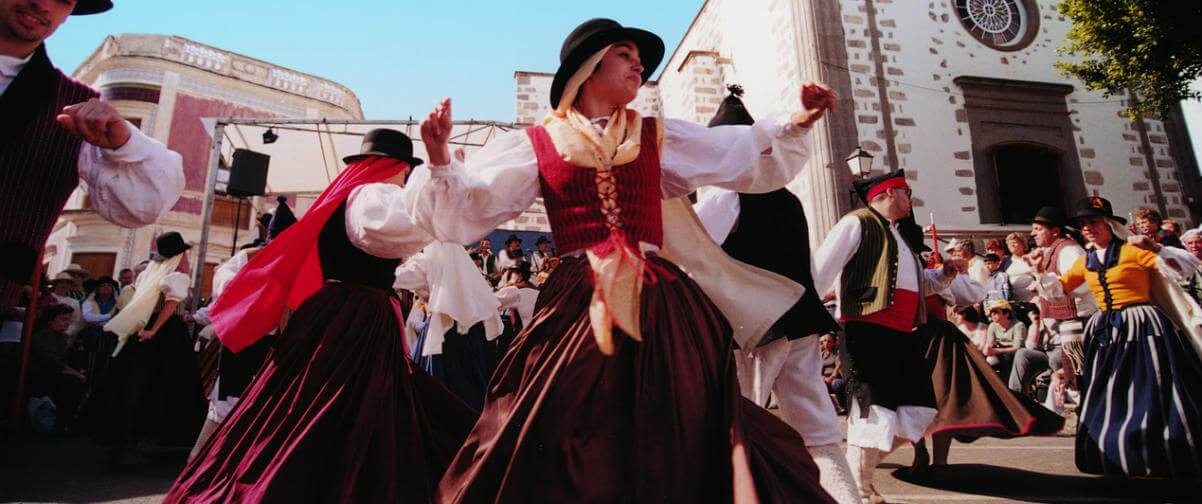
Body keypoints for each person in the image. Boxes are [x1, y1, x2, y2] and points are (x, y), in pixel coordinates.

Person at [406, 18, 839, 503]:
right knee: (565, 422)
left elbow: (734, 152)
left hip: (662, 303)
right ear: (589, 69)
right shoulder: (537, 144)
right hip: (577, 301)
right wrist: (440, 158)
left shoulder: (656, 135)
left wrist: (796, 118)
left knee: (680, 421)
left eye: (640, 58)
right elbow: (467, 209)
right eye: (625, 53)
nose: (638, 64)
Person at [165, 130, 476, 502]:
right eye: (406, 171)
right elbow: (411, 225)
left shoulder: (347, 197)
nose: (406, 178)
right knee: (342, 405)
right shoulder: (374, 194)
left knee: (308, 402)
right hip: (356, 315)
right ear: (395, 167)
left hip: (333, 309)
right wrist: (446, 178)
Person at [693, 85, 857, 503]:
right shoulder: (788, 198)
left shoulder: (726, 196)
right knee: (816, 424)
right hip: (798, 322)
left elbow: (690, 256)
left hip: (751, 330)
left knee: (739, 417)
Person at [0, 0, 184, 317]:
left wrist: (123, 144)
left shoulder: (72, 104)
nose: (42, 3)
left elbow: (144, 207)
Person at [813, 170, 961, 503]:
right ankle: (860, 490)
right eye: (907, 193)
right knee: (873, 412)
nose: (911, 200)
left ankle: (852, 478)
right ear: (891, 193)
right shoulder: (856, 224)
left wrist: (942, 276)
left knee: (921, 411)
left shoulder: (899, 237)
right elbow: (820, 269)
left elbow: (914, 285)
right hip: (866, 332)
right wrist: (807, 319)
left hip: (900, 335)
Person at [1031, 196, 1202, 478]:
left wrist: (1156, 247)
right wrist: (1038, 270)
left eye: (1093, 222)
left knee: (1152, 385)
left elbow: (1185, 267)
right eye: (1083, 224)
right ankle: (1119, 453)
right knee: (1109, 389)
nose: (1087, 227)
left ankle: (1163, 450)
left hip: (1142, 324)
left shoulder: (1132, 252)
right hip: (1105, 329)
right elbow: (1060, 290)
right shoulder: (1086, 261)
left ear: (1109, 224)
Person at [91, 231, 205, 464]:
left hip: (143, 331)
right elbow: (170, 306)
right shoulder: (177, 276)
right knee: (165, 384)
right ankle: (152, 440)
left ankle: (126, 442)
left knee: (135, 385)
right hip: (166, 332)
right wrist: (155, 330)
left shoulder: (149, 275)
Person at [1027, 206, 1097, 387]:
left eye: (1038, 229)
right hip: (1068, 325)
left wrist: (1050, 282)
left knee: (1082, 375)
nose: (1033, 234)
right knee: (1073, 376)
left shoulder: (1068, 250)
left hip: (1080, 322)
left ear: (1056, 231)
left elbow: (1081, 285)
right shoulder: (1053, 250)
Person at [28, 303, 86, 433]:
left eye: (68, 320)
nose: (66, 324)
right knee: (72, 383)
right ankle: (62, 424)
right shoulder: (46, 336)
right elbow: (51, 361)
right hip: (42, 378)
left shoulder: (58, 336)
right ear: (51, 321)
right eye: (63, 320)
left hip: (50, 375)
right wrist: (75, 374)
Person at [983, 300, 1026, 376]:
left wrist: (997, 351)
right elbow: (990, 343)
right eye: (991, 313)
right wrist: (988, 349)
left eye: (996, 312)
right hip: (999, 352)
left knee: (1008, 357)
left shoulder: (1019, 326)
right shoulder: (992, 326)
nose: (992, 315)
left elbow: (1017, 347)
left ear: (1006, 314)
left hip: (1014, 353)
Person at [1004, 232, 1037, 303]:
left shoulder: (1031, 259)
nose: (1012, 245)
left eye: (1015, 242)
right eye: (1009, 243)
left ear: (1023, 244)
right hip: (1014, 302)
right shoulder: (1005, 262)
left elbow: (1040, 276)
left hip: (1032, 300)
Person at [820, 333, 846, 413]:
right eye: (824, 341)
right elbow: (818, 371)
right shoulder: (821, 355)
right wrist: (823, 379)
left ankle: (842, 406)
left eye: (829, 341)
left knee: (835, 383)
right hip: (825, 378)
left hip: (837, 377)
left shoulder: (837, 353)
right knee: (819, 384)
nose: (826, 343)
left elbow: (838, 368)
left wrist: (831, 378)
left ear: (834, 342)